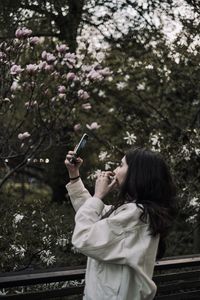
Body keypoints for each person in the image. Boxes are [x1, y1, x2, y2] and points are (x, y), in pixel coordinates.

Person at [64, 147, 177, 300]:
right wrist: (74, 176)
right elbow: (94, 214)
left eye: (121, 165)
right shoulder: (134, 211)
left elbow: (84, 237)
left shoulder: (135, 216)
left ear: (136, 174)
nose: (115, 170)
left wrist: (98, 196)